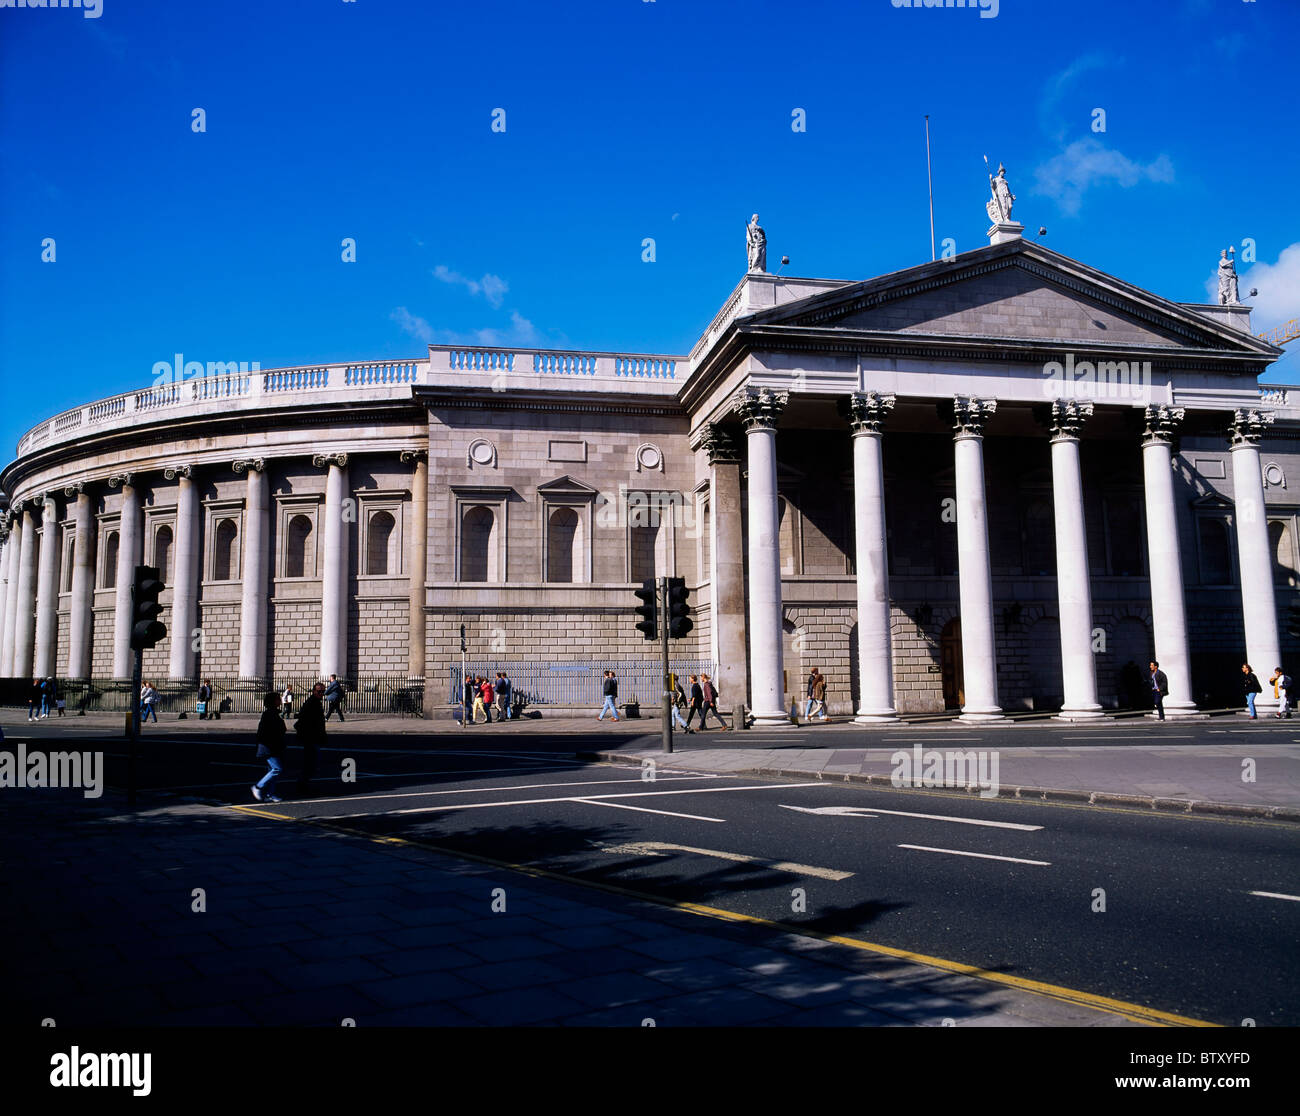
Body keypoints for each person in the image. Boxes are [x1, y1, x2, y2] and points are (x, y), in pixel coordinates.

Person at [251, 692, 287, 803]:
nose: (280, 700)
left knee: (272, 770)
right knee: (277, 769)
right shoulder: (270, 714)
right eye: (278, 699)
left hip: (273, 746)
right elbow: (267, 731)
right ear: (273, 701)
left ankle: (270, 794)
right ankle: (258, 787)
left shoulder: (274, 713)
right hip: (269, 746)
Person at [294, 682, 327, 795]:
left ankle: (303, 784)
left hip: (313, 737)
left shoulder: (315, 702)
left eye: (323, 691)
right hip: (311, 737)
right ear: (314, 691)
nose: (321, 694)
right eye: (319, 691)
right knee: (310, 762)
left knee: (311, 762)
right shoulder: (311, 703)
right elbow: (305, 721)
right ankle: (301, 785)